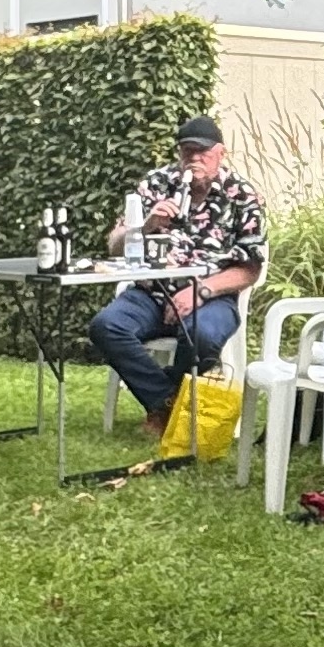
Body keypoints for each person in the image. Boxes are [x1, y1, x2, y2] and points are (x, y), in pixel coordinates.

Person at [89, 117, 267, 430]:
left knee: (203, 335)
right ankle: (169, 403)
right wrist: (144, 227)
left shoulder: (241, 195)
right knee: (106, 326)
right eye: (188, 152)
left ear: (221, 153)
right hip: (151, 291)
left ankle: (165, 409)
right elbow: (115, 246)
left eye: (203, 153)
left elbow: (251, 268)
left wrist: (201, 291)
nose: (194, 160)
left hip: (213, 293)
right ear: (179, 154)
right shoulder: (157, 184)